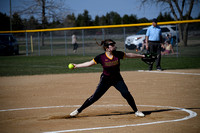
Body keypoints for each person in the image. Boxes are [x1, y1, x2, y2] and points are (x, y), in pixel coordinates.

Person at [69, 39, 145, 118]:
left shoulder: (118, 54)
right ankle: (78, 110)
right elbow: (89, 63)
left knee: (126, 94)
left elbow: (129, 55)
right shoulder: (101, 57)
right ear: (107, 48)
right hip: (105, 80)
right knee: (94, 97)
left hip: (117, 79)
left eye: (113, 44)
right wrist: (76, 65)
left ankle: (136, 111)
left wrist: (142, 56)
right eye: (112, 45)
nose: (114, 46)